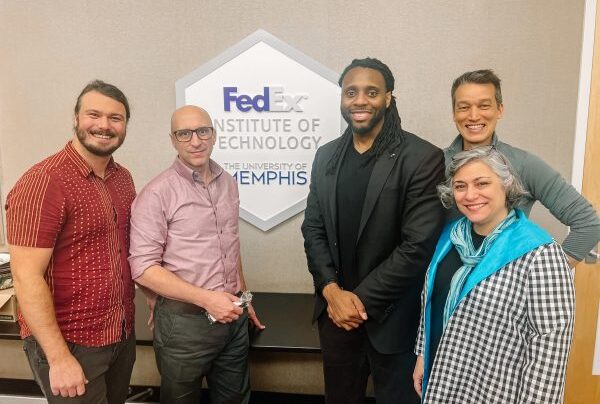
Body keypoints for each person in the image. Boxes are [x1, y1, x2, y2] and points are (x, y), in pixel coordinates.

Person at [301, 58, 446, 404]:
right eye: (351, 92)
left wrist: (358, 301)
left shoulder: (421, 157)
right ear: (342, 98)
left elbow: (417, 245)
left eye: (371, 92)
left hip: (394, 320)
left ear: (389, 98)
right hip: (336, 319)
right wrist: (332, 292)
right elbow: (313, 228)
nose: (360, 100)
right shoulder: (326, 157)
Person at [5, 80, 136, 403]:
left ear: (125, 126)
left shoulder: (122, 178)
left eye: (115, 118)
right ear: (76, 119)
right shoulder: (43, 182)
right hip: (71, 342)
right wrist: (59, 358)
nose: (104, 125)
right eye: (94, 114)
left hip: (120, 335)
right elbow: (25, 277)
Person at [413, 146, 575, 403]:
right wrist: (423, 354)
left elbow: (549, 350)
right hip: (444, 380)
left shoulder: (540, 252)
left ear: (506, 184)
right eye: (460, 186)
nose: (470, 195)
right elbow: (432, 303)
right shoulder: (450, 237)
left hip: (493, 390)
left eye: (482, 183)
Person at [128, 105, 264, 404]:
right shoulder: (157, 193)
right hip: (184, 328)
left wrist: (244, 294)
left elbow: (229, 244)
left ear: (213, 135)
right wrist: (207, 299)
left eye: (203, 131)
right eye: (184, 133)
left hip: (233, 318)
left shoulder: (226, 181)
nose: (196, 140)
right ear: (173, 140)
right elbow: (142, 267)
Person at [445, 69, 600, 266]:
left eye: (484, 106)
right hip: (443, 287)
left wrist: (547, 273)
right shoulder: (433, 164)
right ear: (453, 113)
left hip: (501, 292)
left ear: (500, 109)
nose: (474, 116)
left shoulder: (524, 164)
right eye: (464, 107)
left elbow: (588, 224)